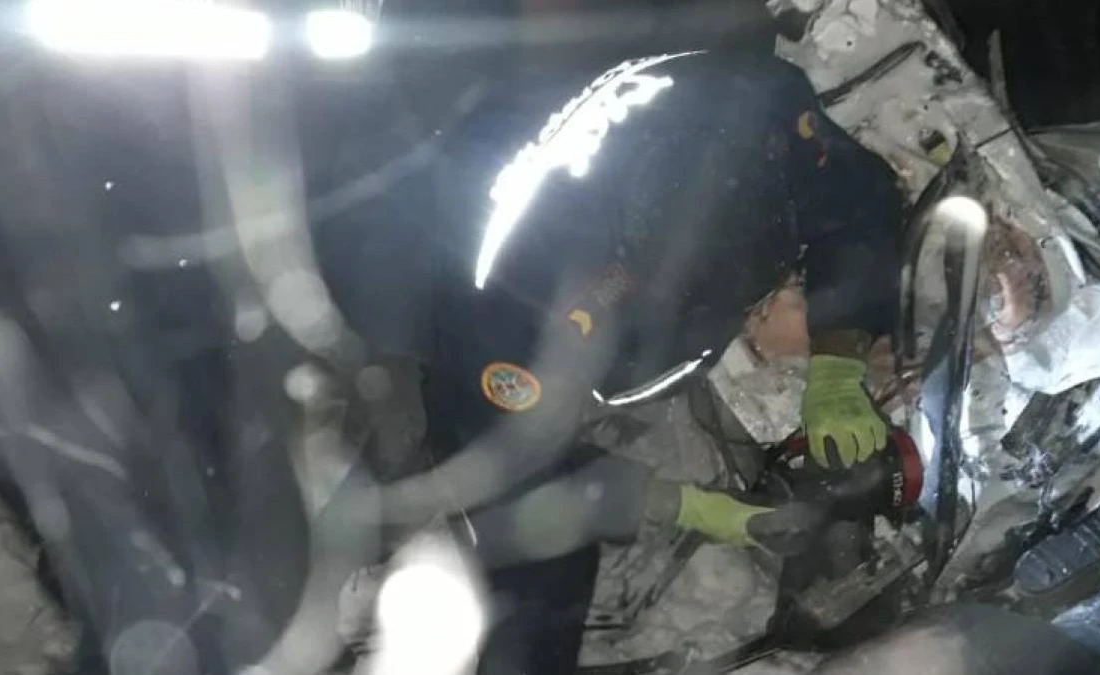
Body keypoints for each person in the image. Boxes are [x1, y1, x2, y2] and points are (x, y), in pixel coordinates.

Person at [315, 7, 904, 675]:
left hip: (586, 84)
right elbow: (512, 465)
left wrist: (837, 365)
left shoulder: (752, 100)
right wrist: (693, 507)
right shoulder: (509, 303)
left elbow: (858, 204)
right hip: (419, 241)